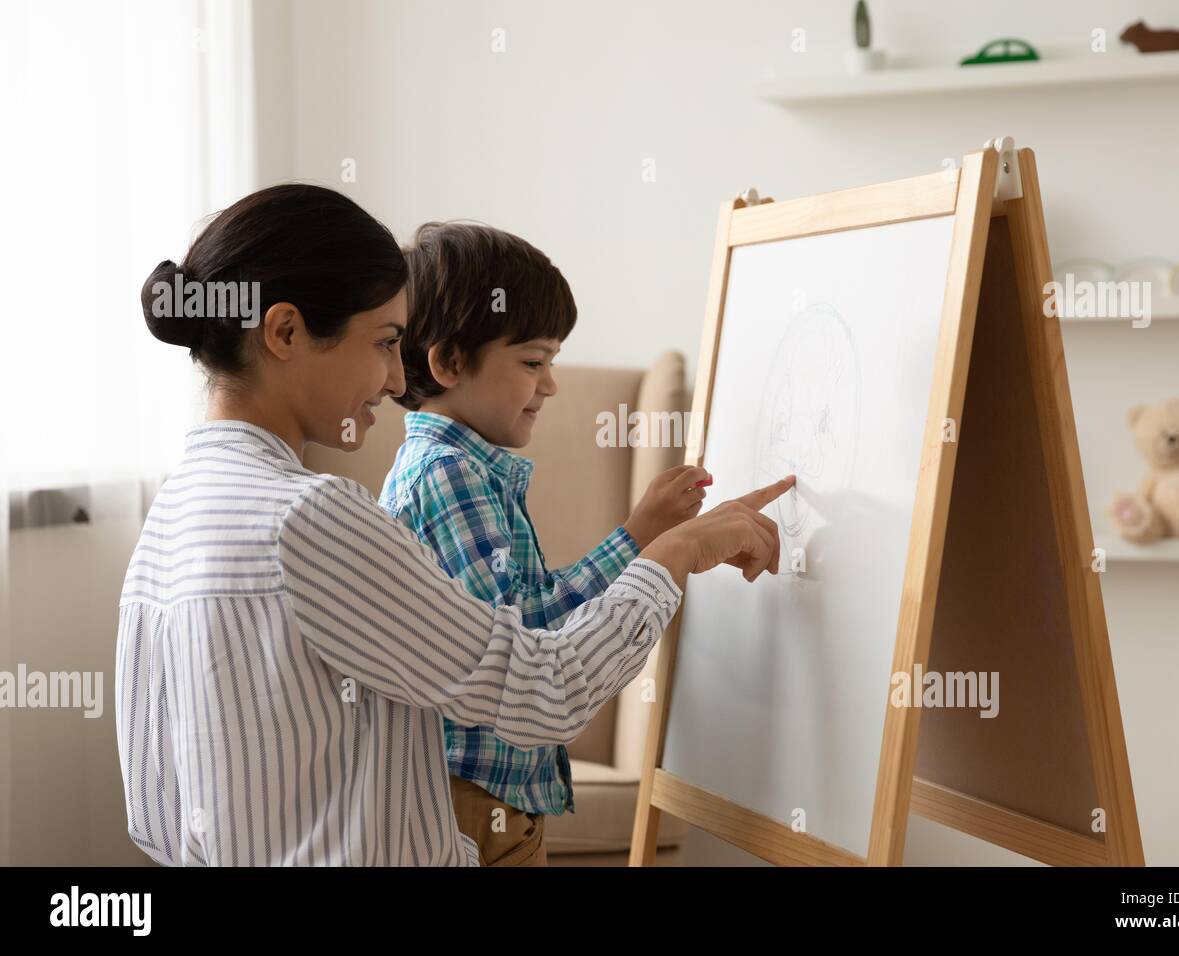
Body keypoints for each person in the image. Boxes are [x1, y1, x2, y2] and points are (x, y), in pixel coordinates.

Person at [116, 183, 793, 866]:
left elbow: (155, 812)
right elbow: (543, 691)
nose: (391, 379)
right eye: (384, 343)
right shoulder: (311, 517)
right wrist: (673, 554)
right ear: (286, 332)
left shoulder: (168, 519)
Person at [379, 221, 710, 866]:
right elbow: (531, 642)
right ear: (448, 362)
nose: (551, 385)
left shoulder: (463, 469)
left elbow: (522, 612)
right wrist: (641, 542)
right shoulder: (447, 477)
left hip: (487, 797)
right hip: (474, 803)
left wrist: (639, 531)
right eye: (534, 362)